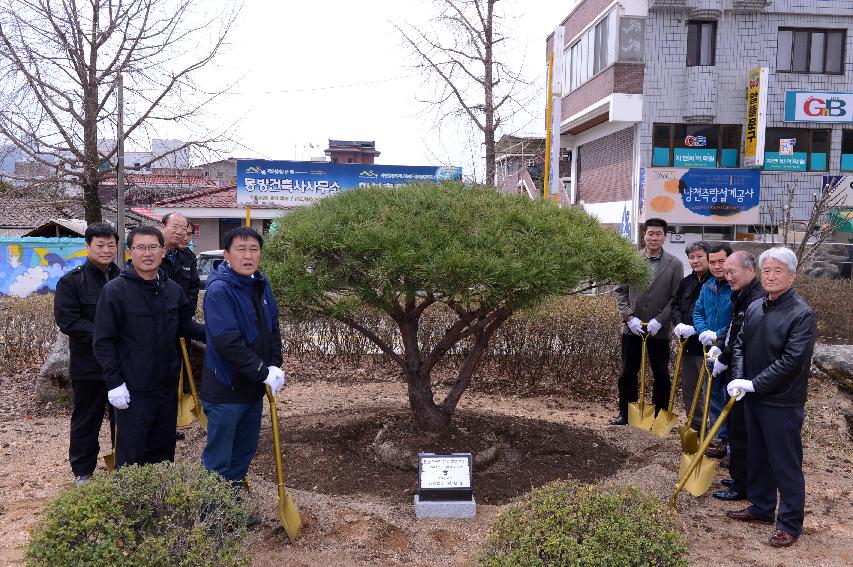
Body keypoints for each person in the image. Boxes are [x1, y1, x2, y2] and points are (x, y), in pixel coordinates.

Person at [726, 247, 816, 548]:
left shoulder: (801, 313)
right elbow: (739, 343)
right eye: (767, 270)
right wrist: (740, 378)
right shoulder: (756, 306)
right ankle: (761, 507)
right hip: (754, 397)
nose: (772, 276)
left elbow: (792, 361)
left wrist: (754, 383)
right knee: (757, 456)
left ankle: (789, 523)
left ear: (792, 275)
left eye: (779, 270)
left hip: (782, 401)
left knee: (785, 463)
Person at [93, 225, 205, 468]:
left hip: (166, 388)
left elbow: (186, 326)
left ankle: (159, 504)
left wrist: (220, 335)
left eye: (153, 247)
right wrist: (114, 382)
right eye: (140, 247)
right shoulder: (115, 291)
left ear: (162, 252)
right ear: (130, 252)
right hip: (132, 391)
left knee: (163, 454)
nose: (147, 253)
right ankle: (130, 505)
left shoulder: (172, 290)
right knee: (131, 457)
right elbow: (103, 342)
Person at [200, 227, 284, 517]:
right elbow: (226, 341)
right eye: (241, 249)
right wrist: (261, 371)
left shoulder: (260, 284)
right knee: (220, 456)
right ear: (227, 255)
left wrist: (275, 365)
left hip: (252, 388)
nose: (248, 255)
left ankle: (231, 505)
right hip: (226, 388)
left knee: (244, 450)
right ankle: (211, 516)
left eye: (254, 249)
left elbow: (272, 327)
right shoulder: (219, 289)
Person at [54, 223, 121, 486]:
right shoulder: (72, 281)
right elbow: (68, 321)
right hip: (88, 365)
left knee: (124, 417)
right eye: (100, 245)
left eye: (111, 245)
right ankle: (83, 470)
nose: (106, 250)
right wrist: (104, 335)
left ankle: (124, 465)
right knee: (87, 418)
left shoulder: (125, 278)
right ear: (88, 246)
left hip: (121, 363)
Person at [611, 218, 683, 425]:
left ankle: (660, 417)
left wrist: (660, 321)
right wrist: (629, 317)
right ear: (644, 235)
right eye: (650, 233)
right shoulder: (631, 261)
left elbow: (675, 298)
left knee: (661, 373)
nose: (653, 238)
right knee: (628, 372)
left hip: (658, 330)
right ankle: (626, 413)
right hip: (632, 328)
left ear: (665, 237)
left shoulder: (675, 264)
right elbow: (620, 292)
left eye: (658, 234)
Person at [711, 251, 764, 501]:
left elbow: (744, 337)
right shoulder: (740, 295)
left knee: (742, 431)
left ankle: (742, 486)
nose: (728, 276)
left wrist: (724, 358)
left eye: (733, 271)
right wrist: (719, 345)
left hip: (745, 374)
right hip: (733, 370)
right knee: (734, 428)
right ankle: (738, 476)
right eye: (726, 271)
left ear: (750, 270)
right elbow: (732, 328)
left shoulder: (757, 298)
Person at [692, 243, 733, 457]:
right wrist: (703, 331)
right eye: (713, 262)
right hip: (710, 351)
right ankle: (720, 439)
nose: (717, 266)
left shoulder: (735, 288)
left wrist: (718, 335)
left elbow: (739, 320)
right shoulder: (707, 286)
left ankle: (731, 444)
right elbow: (697, 311)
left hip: (731, 351)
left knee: (729, 397)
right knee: (714, 396)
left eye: (721, 261)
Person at [671, 241, 711, 433]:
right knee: (689, 387)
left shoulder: (715, 282)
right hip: (686, 344)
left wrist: (696, 328)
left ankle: (708, 426)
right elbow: (676, 305)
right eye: (692, 257)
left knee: (706, 389)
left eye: (699, 256)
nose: (695, 261)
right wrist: (678, 323)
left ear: (708, 257)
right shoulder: (686, 282)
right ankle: (694, 423)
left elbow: (712, 313)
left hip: (705, 346)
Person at [160, 212, 200, 311]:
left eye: (183, 229)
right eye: (175, 227)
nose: (179, 232)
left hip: (181, 318)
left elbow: (193, 289)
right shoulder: (152, 254)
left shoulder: (188, 258)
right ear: (162, 227)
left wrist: (187, 313)